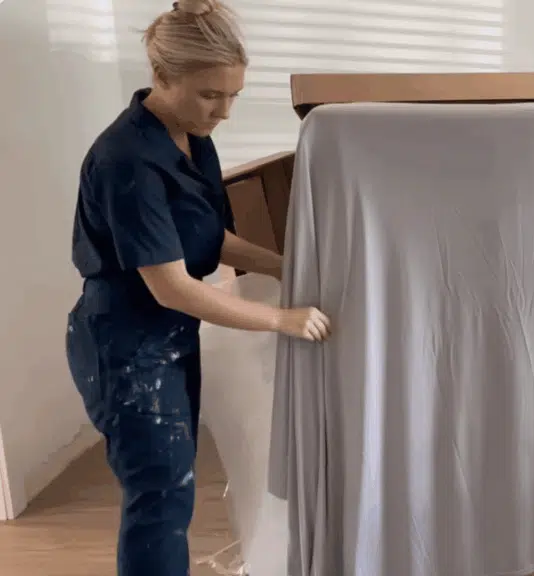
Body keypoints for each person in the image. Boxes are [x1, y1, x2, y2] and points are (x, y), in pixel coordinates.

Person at [65, 1, 329, 574]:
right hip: (127, 342)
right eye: (212, 94)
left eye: (233, 94)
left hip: (166, 333)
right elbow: (173, 286)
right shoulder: (127, 161)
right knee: (161, 495)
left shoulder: (191, 136)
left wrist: (289, 267)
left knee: (173, 486)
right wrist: (284, 318)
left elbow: (210, 237)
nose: (226, 111)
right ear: (162, 77)